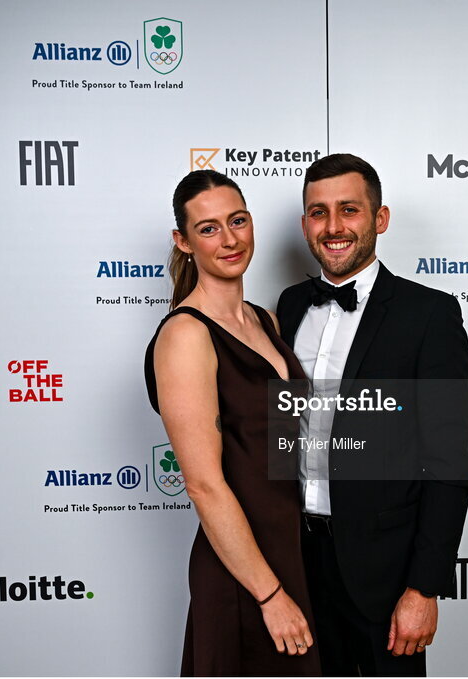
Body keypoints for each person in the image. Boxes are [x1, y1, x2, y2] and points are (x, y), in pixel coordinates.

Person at [276, 154, 468, 676]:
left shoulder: (429, 315)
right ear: (304, 226)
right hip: (296, 564)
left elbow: (449, 463)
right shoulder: (291, 305)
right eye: (319, 213)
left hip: (384, 577)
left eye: (350, 210)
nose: (334, 227)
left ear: (379, 218)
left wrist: (424, 587)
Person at [144, 170, 320, 677]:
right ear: (183, 241)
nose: (229, 239)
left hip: (291, 551)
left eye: (238, 221)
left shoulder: (264, 319)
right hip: (244, 574)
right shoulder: (185, 335)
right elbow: (203, 485)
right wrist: (268, 595)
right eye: (209, 228)